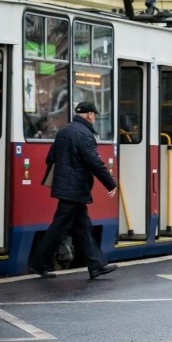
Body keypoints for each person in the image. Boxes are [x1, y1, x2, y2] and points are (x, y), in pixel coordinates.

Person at [27, 101, 119, 279]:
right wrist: (111, 183)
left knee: (83, 227)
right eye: (94, 115)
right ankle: (38, 263)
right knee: (59, 227)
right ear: (90, 115)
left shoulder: (64, 131)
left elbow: (51, 158)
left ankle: (96, 265)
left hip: (66, 187)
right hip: (75, 188)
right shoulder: (85, 134)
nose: (94, 118)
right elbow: (95, 163)